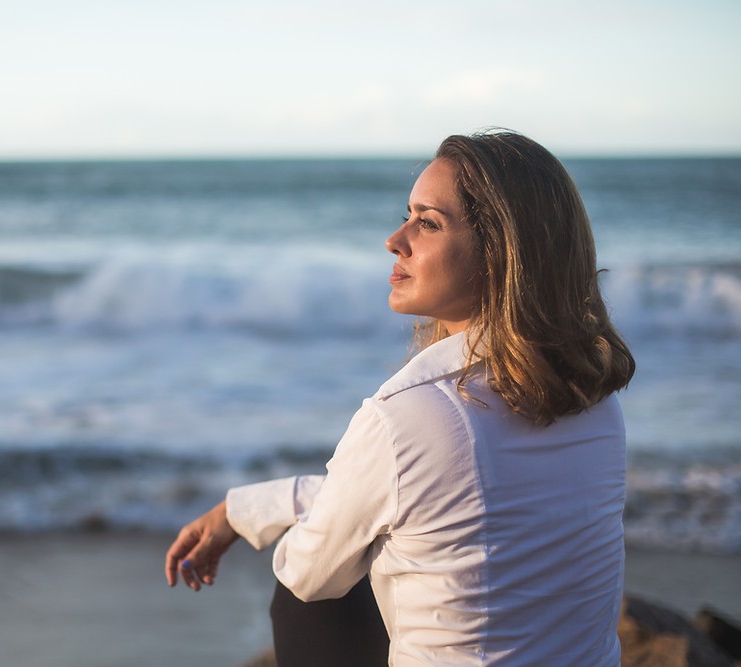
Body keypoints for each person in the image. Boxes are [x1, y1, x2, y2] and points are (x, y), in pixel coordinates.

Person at [164, 130, 635, 666]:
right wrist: (245, 509)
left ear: (501, 251)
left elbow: (308, 571)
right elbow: (416, 496)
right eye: (407, 215)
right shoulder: (593, 399)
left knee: (306, 598)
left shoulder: (409, 417)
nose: (396, 238)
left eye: (428, 223)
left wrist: (268, 518)